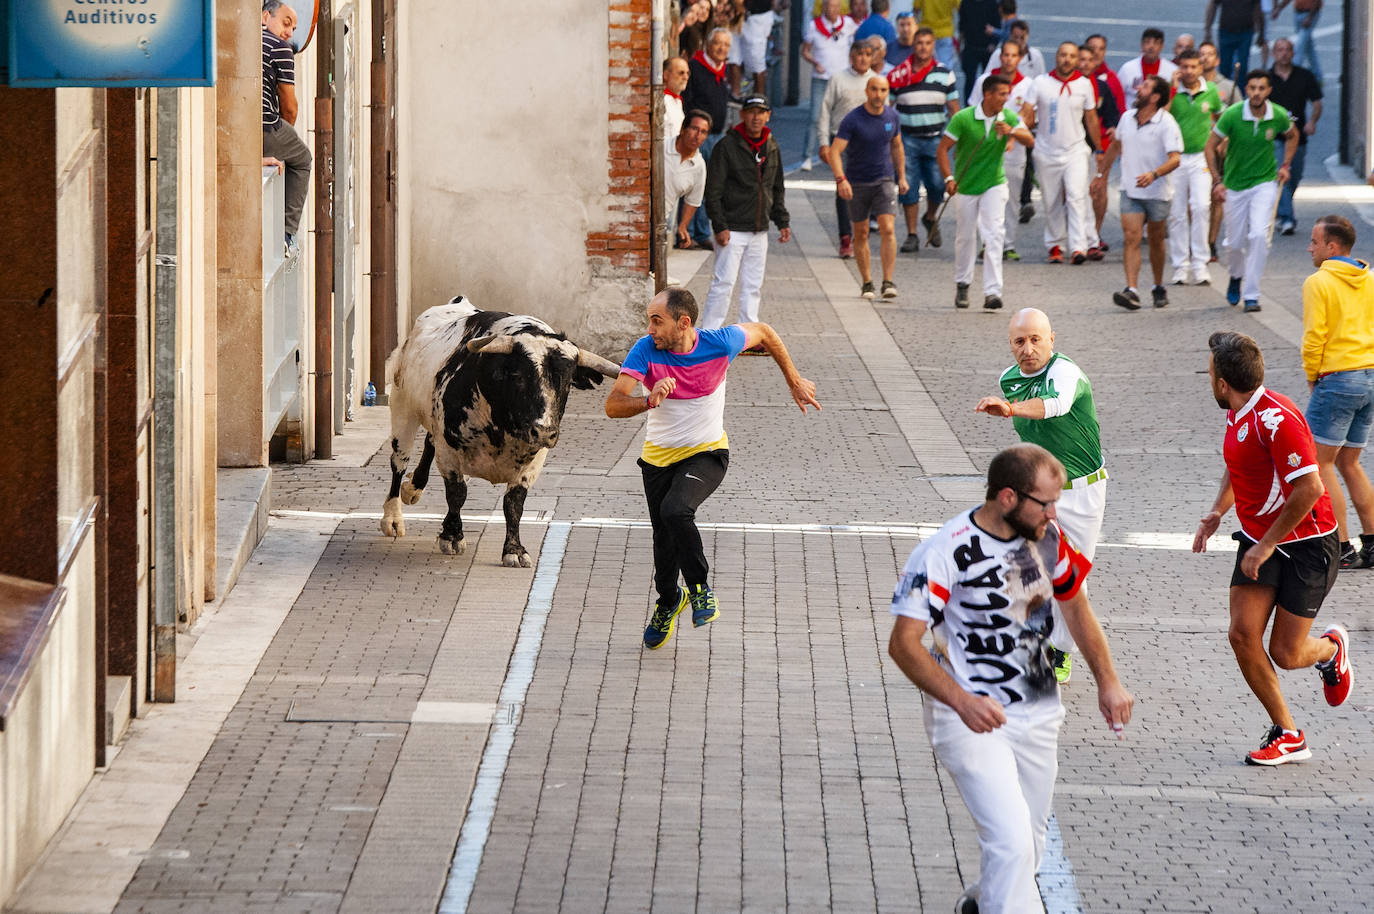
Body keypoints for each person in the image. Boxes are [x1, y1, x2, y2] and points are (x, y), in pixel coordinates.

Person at [888, 442, 1133, 914]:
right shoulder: (945, 550)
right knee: (1011, 844)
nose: (1055, 512)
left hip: (1038, 709)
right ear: (1007, 497)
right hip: (969, 717)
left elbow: (1075, 605)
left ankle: (984, 903)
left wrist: (1108, 681)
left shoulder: (1049, 538)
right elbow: (903, 643)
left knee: (1030, 847)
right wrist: (962, 702)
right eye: (1046, 502)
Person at [606, 287, 820, 650]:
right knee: (663, 538)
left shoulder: (720, 343)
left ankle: (700, 589)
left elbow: (765, 332)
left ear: (683, 322)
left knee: (676, 511)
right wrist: (648, 399)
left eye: (657, 321)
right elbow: (613, 405)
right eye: (649, 320)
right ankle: (669, 601)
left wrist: (794, 380)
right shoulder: (645, 350)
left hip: (707, 453)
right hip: (658, 459)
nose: (650, 328)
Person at [1192, 331, 1352, 766]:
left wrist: (1264, 544)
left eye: (1210, 374)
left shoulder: (1277, 420)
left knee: (1286, 653)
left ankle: (1331, 650)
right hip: (1260, 541)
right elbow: (1237, 465)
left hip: (1308, 547)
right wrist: (1216, 512)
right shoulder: (1237, 411)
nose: (1209, 380)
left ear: (1223, 382)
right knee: (1242, 635)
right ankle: (1289, 733)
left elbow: (1310, 488)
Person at [975, 309, 1108, 684]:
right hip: (1038, 493)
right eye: (1019, 341)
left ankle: (1060, 651)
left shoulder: (1066, 373)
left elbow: (1056, 406)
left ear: (1052, 339)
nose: (1028, 348)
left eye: (1036, 339)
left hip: (1082, 491)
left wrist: (1012, 409)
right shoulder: (1009, 379)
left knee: (1072, 577)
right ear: (1010, 345)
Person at [1301, 215, 1374, 570]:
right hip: (1370, 375)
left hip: (1338, 377)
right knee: (1351, 462)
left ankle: (1341, 546)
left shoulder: (1319, 282)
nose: (1309, 248)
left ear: (1332, 247)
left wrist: (1313, 375)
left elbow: (1315, 335)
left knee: (1320, 462)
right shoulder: (1369, 278)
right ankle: (1373, 543)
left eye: (1314, 242)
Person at [938, 73, 1034, 310]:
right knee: (966, 236)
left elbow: (1029, 139)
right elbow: (943, 149)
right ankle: (963, 283)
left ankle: (993, 292)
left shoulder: (1008, 117)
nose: (1006, 98)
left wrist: (1011, 131)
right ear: (987, 94)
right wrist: (948, 178)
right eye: (1002, 94)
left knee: (993, 235)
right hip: (966, 185)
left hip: (994, 183)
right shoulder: (963, 118)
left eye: (1007, 94)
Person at [1205, 69, 1298, 313]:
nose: (1256, 93)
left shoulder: (1277, 114)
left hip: (1264, 182)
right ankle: (1236, 275)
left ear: (1268, 91)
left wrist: (1286, 165)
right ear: (1246, 90)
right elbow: (1210, 146)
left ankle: (1252, 294)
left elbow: (1292, 135)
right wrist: (1217, 180)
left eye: (1261, 88)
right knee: (1234, 243)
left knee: (1258, 235)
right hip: (1235, 185)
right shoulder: (1233, 115)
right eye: (1252, 88)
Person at [701, 95, 791, 333]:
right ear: (742, 115)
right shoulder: (727, 146)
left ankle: (748, 334)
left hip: (759, 230)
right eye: (751, 112)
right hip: (732, 229)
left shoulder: (771, 145)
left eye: (761, 112)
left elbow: (777, 186)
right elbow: (713, 191)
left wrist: (782, 221)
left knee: (753, 286)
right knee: (724, 283)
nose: (756, 117)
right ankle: (709, 334)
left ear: (768, 116)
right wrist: (719, 225)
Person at [1094, 76, 1182, 310]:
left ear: (1155, 97)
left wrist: (1154, 174)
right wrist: (1101, 176)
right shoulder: (1126, 118)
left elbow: (1175, 159)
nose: (1137, 90)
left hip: (1158, 192)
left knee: (1155, 241)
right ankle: (1131, 290)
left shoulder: (1167, 123)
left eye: (1144, 87)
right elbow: (1115, 145)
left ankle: (1157, 285)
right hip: (1131, 190)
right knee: (1131, 237)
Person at [829, 76, 908, 299]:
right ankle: (867, 282)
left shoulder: (892, 116)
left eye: (883, 90)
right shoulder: (853, 119)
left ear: (888, 92)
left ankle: (888, 281)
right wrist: (840, 179)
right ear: (866, 90)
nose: (878, 94)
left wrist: (901, 177)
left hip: (884, 180)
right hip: (857, 182)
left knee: (888, 229)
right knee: (861, 232)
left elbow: (897, 146)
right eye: (874, 89)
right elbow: (835, 151)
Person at [1023, 42, 1100, 265]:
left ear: (1077, 60)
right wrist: (1017, 130)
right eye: (1063, 55)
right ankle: (1055, 244)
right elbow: (1027, 113)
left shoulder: (1084, 85)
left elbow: (1091, 118)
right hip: (1046, 151)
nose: (1067, 59)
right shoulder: (1040, 83)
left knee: (1077, 196)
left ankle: (1079, 247)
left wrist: (1100, 149)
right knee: (1051, 200)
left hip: (1076, 150)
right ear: (1056, 57)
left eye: (1071, 56)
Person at [889, 26, 960, 254]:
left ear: (933, 46)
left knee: (938, 185)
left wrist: (959, 139)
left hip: (935, 140)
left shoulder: (945, 74)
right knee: (907, 188)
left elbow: (954, 110)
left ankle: (930, 217)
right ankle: (911, 235)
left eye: (928, 43)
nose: (923, 47)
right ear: (913, 45)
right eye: (919, 43)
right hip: (906, 139)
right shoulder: (900, 74)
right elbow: (887, 106)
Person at [969, 40, 1032, 262]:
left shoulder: (1027, 85)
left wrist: (1013, 135)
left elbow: (1029, 118)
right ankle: (987, 242)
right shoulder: (984, 82)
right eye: (1005, 55)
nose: (1008, 59)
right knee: (984, 197)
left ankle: (1008, 244)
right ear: (1000, 57)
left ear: (1020, 58)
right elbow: (973, 110)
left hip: (1014, 153)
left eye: (1013, 55)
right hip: (986, 151)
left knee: (1012, 199)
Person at [1164, 50, 1222, 286]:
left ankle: (1200, 263)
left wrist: (1220, 140)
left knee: (1200, 206)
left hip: (1200, 157)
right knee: (1177, 213)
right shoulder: (1173, 92)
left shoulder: (1211, 92)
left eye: (1193, 66)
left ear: (1201, 68)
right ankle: (1180, 265)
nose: (1189, 71)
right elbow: (1162, 116)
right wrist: (1172, 89)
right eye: (1184, 66)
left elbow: (1219, 117)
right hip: (1176, 158)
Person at [818, 40, 876, 259]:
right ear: (851, 55)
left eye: (868, 54)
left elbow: (885, 113)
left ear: (872, 58)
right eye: (859, 54)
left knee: (866, 189)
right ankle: (845, 237)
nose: (863, 58)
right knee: (843, 188)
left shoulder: (875, 81)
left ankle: (861, 232)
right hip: (840, 140)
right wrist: (824, 142)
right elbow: (825, 110)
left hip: (867, 143)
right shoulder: (838, 79)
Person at [261, 0, 311, 250]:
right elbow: (289, 106)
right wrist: (284, 136)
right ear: (264, 17)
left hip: (236, 132)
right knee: (302, 158)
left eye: (293, 28)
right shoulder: (280, 48)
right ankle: (287, 234)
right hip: (265, 126)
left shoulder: (245, 39)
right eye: (286, 23)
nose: (289, 32)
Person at [683, 28, 735, 247]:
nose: (722, 48)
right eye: (718, 43)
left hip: (715, 136)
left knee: (709, 186)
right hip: (698, 136)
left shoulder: (721, 70)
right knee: (692, 185)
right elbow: (689, 100)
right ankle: (690, 232)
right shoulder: (695, 67)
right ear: (708, 44)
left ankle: (702, 231)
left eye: (726, 45)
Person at [1267, 37, 1322, 236]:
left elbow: (1317, 103)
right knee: (1283, 175)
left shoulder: (1304, 76)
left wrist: (1312, 122)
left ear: (1293, 52)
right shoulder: (1267, 78)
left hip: (1298, 136)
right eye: (1280, 49)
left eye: (1288, 49)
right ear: (1274, 53)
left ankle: (1280, 208)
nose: (1284, 53)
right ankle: (1287, 218)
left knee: (1295, 176)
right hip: (1274, 137)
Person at [801, 0, 858, 171]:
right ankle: (808, 156)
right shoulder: (814, 26)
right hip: (821, 77)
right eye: (829, 6)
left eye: (836, 6)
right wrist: (814, 62)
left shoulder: (848, 24)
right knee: (815, 117)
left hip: (842, 78)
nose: (833, 10)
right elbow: (805, 51)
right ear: (823, 7)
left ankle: (841, 154)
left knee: (843, 117)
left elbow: (855, 46)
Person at [1080, 44, 1120, 262]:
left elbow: (1112, 115)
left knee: (1096, 191)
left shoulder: (1103, 87)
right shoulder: (1068, 86)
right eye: (1082, 59)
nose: (1086, 63)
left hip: (1098, 148)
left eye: (1090, 59)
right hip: (1073, 148)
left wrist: (1112, 129)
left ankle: (1093, 235)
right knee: (1076, 194)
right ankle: (1079, 237)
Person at [666, 111, 712, 249]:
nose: (698, 136)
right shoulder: (661, 147)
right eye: (694, 129)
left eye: (703, 132)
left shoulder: (699, 166)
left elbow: (693, 200)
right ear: (682, 129)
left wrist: (683, 226)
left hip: (662, 223)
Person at [1205, 0, 1265, 81]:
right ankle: (1224, 90)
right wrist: (1208, 29)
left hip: (1245, 32)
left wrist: (1261, 33)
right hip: (1226, 31)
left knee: (1242, 66)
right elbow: (1213, 6)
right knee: (1224, 66)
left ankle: (1240, 91)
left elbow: (1258, 10)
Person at [1117, 27, 1179, 96]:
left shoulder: (1172, 70)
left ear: (1162, 46)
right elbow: (1117, 95)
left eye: (1156, 43)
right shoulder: (1127, 69)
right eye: (1147, 42)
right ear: (1142, 45)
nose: (1151, 46)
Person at [1272, 0, 1323, 82]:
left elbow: (1317, 1)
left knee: (1300, 46)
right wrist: (1279, 8)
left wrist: (1310, 17)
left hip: (1309, 13)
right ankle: (1318, 75)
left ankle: (1292, 75)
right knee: (1308, 47)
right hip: (1298, 13)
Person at [957, 0, 1000, 96]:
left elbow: (997, 23)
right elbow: (962, 24)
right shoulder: (966, 3)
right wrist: (959, 45)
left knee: (989, 79)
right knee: (969, 79)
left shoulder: (992, 3)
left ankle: (987, 102)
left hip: (987, 47)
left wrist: (994, 43)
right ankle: (969, 105)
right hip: (970, 46)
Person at [738, 0, 778, 96]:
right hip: (742, 15)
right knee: (736, 57)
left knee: (757, 60)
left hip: (760, 17)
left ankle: (759, 101)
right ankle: (737, 94)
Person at [912, 0, 959, 70]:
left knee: (924, 66)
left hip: (926, 34)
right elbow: (961, 9)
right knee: (944, 68)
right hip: (945, 32)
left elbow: (915, 10)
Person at [663, 56, 691, 155]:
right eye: (681, 73)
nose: (686, 77)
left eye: (687, 73)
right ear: (666, 75)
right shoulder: (662, 101)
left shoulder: (677, 101)